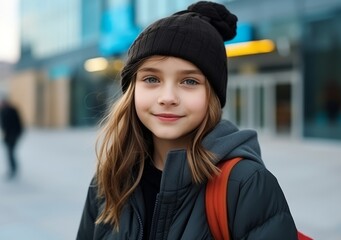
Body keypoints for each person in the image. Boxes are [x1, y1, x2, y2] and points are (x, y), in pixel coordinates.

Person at [77, 1, 298, 239]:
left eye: (189, 81)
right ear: (132, 90)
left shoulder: (247, 185)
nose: (168, 97)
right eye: (151, 79)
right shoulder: (109, 180)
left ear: (211, 95)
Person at [0, 98, 23, 179]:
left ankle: (13, 170)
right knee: (9, 153)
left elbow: (19, 123)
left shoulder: (12, 110)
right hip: (7, 136)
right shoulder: (2, 111)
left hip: (13, 135)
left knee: (10, 153)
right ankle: (12, 169)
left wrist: (17, 134)